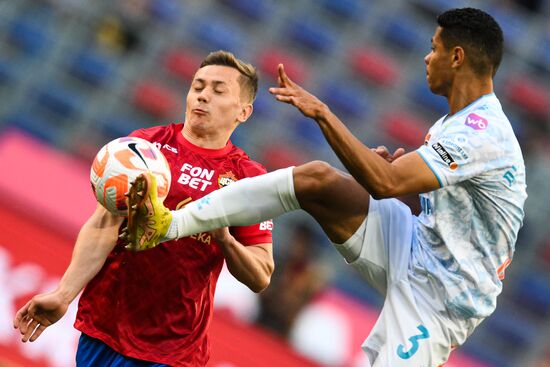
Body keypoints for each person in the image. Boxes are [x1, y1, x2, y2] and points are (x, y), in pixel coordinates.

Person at [125, 8, 527, 366]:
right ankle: (168, 224)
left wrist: (323, 114)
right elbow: (430, 203)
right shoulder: (453, 124)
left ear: (457, 57)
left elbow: (384, 183)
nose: (427, 57)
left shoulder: (481, 132)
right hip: (416, 246)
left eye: (435, 48)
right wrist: (393, 172)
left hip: (443, 300)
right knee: (317, 179)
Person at [13, 50, 274, 367]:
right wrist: (63, 294)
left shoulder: (248, 179)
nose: (203, 96)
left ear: (243, 112)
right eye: (198, 86)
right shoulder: (144, 148)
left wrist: (224, 237)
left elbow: (261, 274)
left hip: (174, 350)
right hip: (104, 329)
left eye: (218, 91)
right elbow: (102, 226)